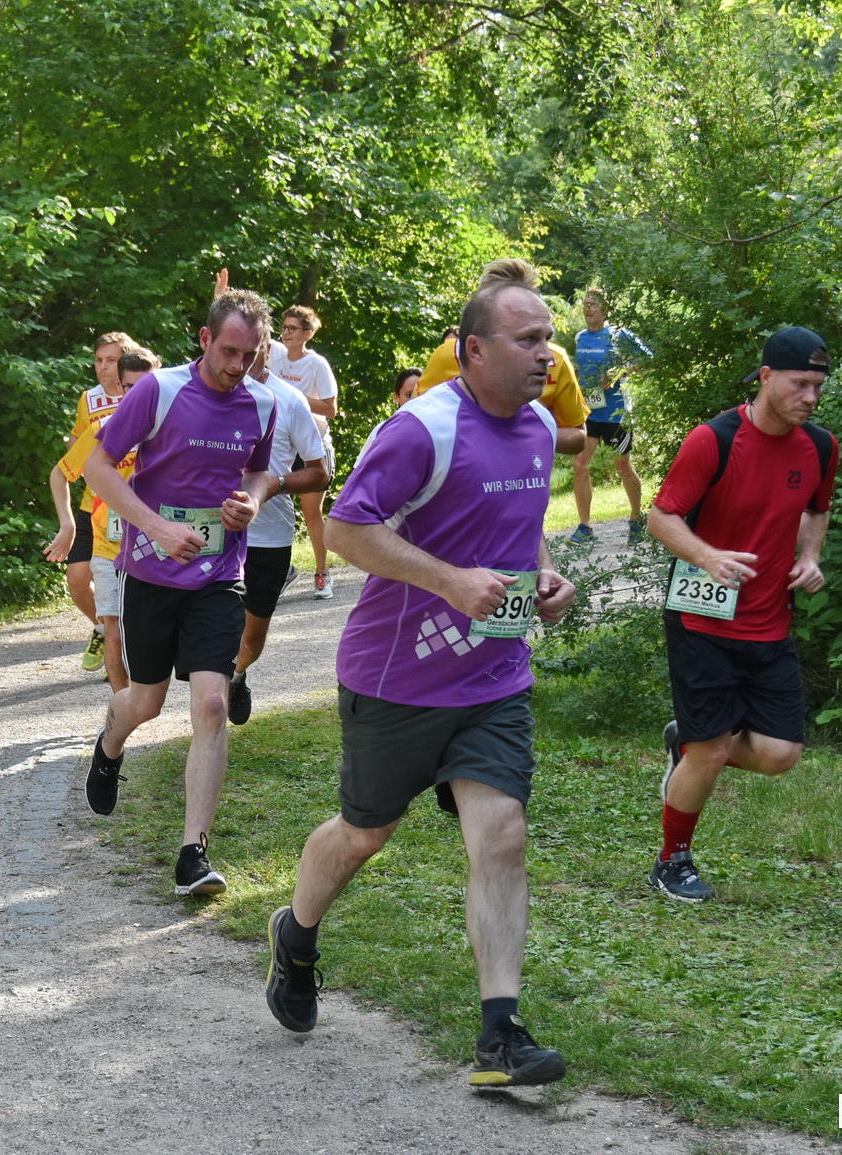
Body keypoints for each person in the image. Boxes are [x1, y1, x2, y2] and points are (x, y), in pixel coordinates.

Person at [265, 259, 579, 1089]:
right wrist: (447, 580)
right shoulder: (423, 429)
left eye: (548, 338)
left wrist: (542, 577)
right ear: (473, 350)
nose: (546, 354)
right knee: (365, 833)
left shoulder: (542, 426)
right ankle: (294, 935)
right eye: (528, 339)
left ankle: (499, 1036)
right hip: (394, 680)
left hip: (493, 681)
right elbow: (342, 531)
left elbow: (521, 530)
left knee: (500, 835)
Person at [80, 291, 279, 897]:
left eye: (249, 355)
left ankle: (194, 853)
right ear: (203, 338)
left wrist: (252, 499)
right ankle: (111, 743)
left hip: (219, 574)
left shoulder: (262, 403)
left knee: (213, 704)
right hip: (150, 573)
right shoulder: (159, 391)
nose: (236, 366)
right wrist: (158, 528)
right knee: (144, 701)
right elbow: (99, 468)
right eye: (227, 351)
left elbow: (260, 470)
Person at [644, 325, 838, 904]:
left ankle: (689, 744)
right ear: (766, 377)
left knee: (780, 755)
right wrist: (708, 556)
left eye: (819, 387)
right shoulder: (714, 439)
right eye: (801, 384)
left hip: (768, 620)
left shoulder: (821, 446)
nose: (811, 397)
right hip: (701, 617)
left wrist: (810, 556)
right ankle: (670, 861)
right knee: (713, 751)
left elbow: (816, 508)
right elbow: (661, 518)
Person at [229, 340, 333, 725]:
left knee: (252, 636)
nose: (241, 358)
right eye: (234, 348)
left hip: (268, 536)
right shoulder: (207, 391)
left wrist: (273, 486)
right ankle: (211, 697)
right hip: (217, 531)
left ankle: (237, 676)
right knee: (215, 623)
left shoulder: (289, 400)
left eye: (253, 348)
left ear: (267, 350)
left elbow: (319, 473)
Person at [57, 346, 161, 692]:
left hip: (156, 546)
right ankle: (121, 705)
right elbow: (60, 473)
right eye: (130, 388)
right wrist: (68, 524)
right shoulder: (103, 427)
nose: (138, 396)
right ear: (121, 386)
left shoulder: (172, 431)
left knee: (148, 631)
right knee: (114, 630)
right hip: (109, 544)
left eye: (146, 386)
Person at [413, 263, 587, 457]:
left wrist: (530, 433)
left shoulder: (556, 359)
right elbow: (414, 424)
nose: (543, 355)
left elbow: (578, 434)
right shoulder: (448, 355)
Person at [45, 332, 136, 671]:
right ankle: (102, 627)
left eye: (110, 360)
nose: (103, 367)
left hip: (133, 507)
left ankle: (120, 643)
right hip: (93, 506)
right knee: (77, 580)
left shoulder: (145, 392)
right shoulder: (90, 399)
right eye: (98, 360)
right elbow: (77, 442)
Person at [570, 287, 654, 544]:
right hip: (590, 412)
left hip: (617, 412)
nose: (588, 309)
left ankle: (636, 519)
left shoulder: (619, 334)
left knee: (622, 466)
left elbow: (648, 358)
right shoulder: (580, 338)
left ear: (605, 309)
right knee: (579, 464)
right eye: (586, 304)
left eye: (594, 304)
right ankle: (585, 527)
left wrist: (620, 372)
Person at [268, 306, 341, 600]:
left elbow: (330, 409)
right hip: (282, 443)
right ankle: (282, 570)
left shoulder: (317, 365)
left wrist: (294, 397)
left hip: (312, 445)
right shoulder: (274, 353)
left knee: (311, 514)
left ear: (307, 334)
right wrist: (222, 296)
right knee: (272, 505)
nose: (285, 333)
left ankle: (322, 574)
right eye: (283, 327)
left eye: (292, 329)